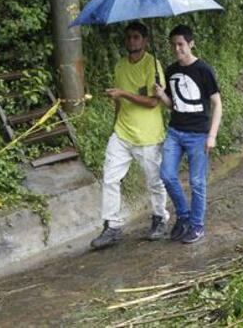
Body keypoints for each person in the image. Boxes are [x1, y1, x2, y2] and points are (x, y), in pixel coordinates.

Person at [90, 22, 170, 250]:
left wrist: (124, 93)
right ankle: (112, 226)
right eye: (129, 37)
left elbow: (153, 102)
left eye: (136, 37)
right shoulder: (120, 66)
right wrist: (115, 122)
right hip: (122, 132)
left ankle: (159, 218)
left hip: (148, 135)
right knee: (110, 177)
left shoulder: (153, 65)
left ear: (145, 41)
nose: (132, 41)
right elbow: (119, 100)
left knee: (154, 181)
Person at [154, 25, 222, 244]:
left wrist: (212, 135)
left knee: (197, 182)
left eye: (181, 44)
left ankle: (196, 226)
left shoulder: (204, 70)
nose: (177, 49)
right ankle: (183, 216)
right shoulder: (171, 70)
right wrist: (161, 95)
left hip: (198, 135)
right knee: (166, 175)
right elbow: (174, 105)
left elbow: (217, 103)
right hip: (175, 131)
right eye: (174, 44)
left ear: (191, 44)